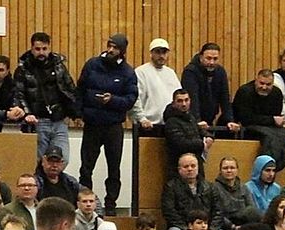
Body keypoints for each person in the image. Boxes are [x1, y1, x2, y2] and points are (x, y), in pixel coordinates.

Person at [76, 33, 137, 214]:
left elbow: (130, 99)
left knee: (114, 168)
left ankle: (111, 206)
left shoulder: (128, 72)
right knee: (86, 167)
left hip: (113, 126)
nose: (111, 50)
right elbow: (80, 90)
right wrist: (78, 114)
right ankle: (84, 203)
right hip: (92, 124)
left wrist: (112, 100)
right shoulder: (92, 64)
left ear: (122, 51)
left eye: (115, 48)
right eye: (109, 46)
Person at [13, 32, 79, 159]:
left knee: (62, 159)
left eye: (44, 49)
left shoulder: (59, 66)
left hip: (59, 120)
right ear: (31, 49)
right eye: (37, 49)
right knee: (38, 161)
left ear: (49, 48)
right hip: (37, 121)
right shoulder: (23, 69)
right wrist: (27, 114)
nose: (41, 52)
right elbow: (18, 94)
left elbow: (70, 88)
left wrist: (73, 112)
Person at [232, 69, 285, 169]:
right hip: (248, 126)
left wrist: (281, 122)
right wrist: (272, 120)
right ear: (256, 80)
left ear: (273, 84)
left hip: (269, 126)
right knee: (270, 136)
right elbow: (245, 118)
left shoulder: (277, 93)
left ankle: (277, 163)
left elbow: (276, 116)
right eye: (261, 83)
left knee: (283, 134)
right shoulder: (245, 91)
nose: (264, 87)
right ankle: (265, 165)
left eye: (268, 84)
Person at [180, 42, 239, 134]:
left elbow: (225, 98)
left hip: (210, 118)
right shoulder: (190, 72)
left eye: (215, 59)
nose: (211, 62)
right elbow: (192, 98)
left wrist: (229, 120)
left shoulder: (220, 72)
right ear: (201, 57)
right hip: (192, 120)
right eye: (208, 58)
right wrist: (196, 120)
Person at [130, 38, 181, 132]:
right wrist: (142, 119)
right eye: (158, 52)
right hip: (148, 126)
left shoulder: (171, 73)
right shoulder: (141, 72)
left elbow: (179, 98)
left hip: (170, 125)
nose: (161, 56)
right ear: (151, 53)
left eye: (164, 52)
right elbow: (135, 99)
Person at [163, 88, 212, 179]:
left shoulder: (191, 118)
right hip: (178, 168)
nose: (184, 104)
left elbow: (200, 131)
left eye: (186, 100)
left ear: (190, 101)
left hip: (195, 165)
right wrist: (201, 144)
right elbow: (180, 144)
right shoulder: (171, 122)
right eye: (180, 101)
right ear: (173, 103)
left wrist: (208, 136)